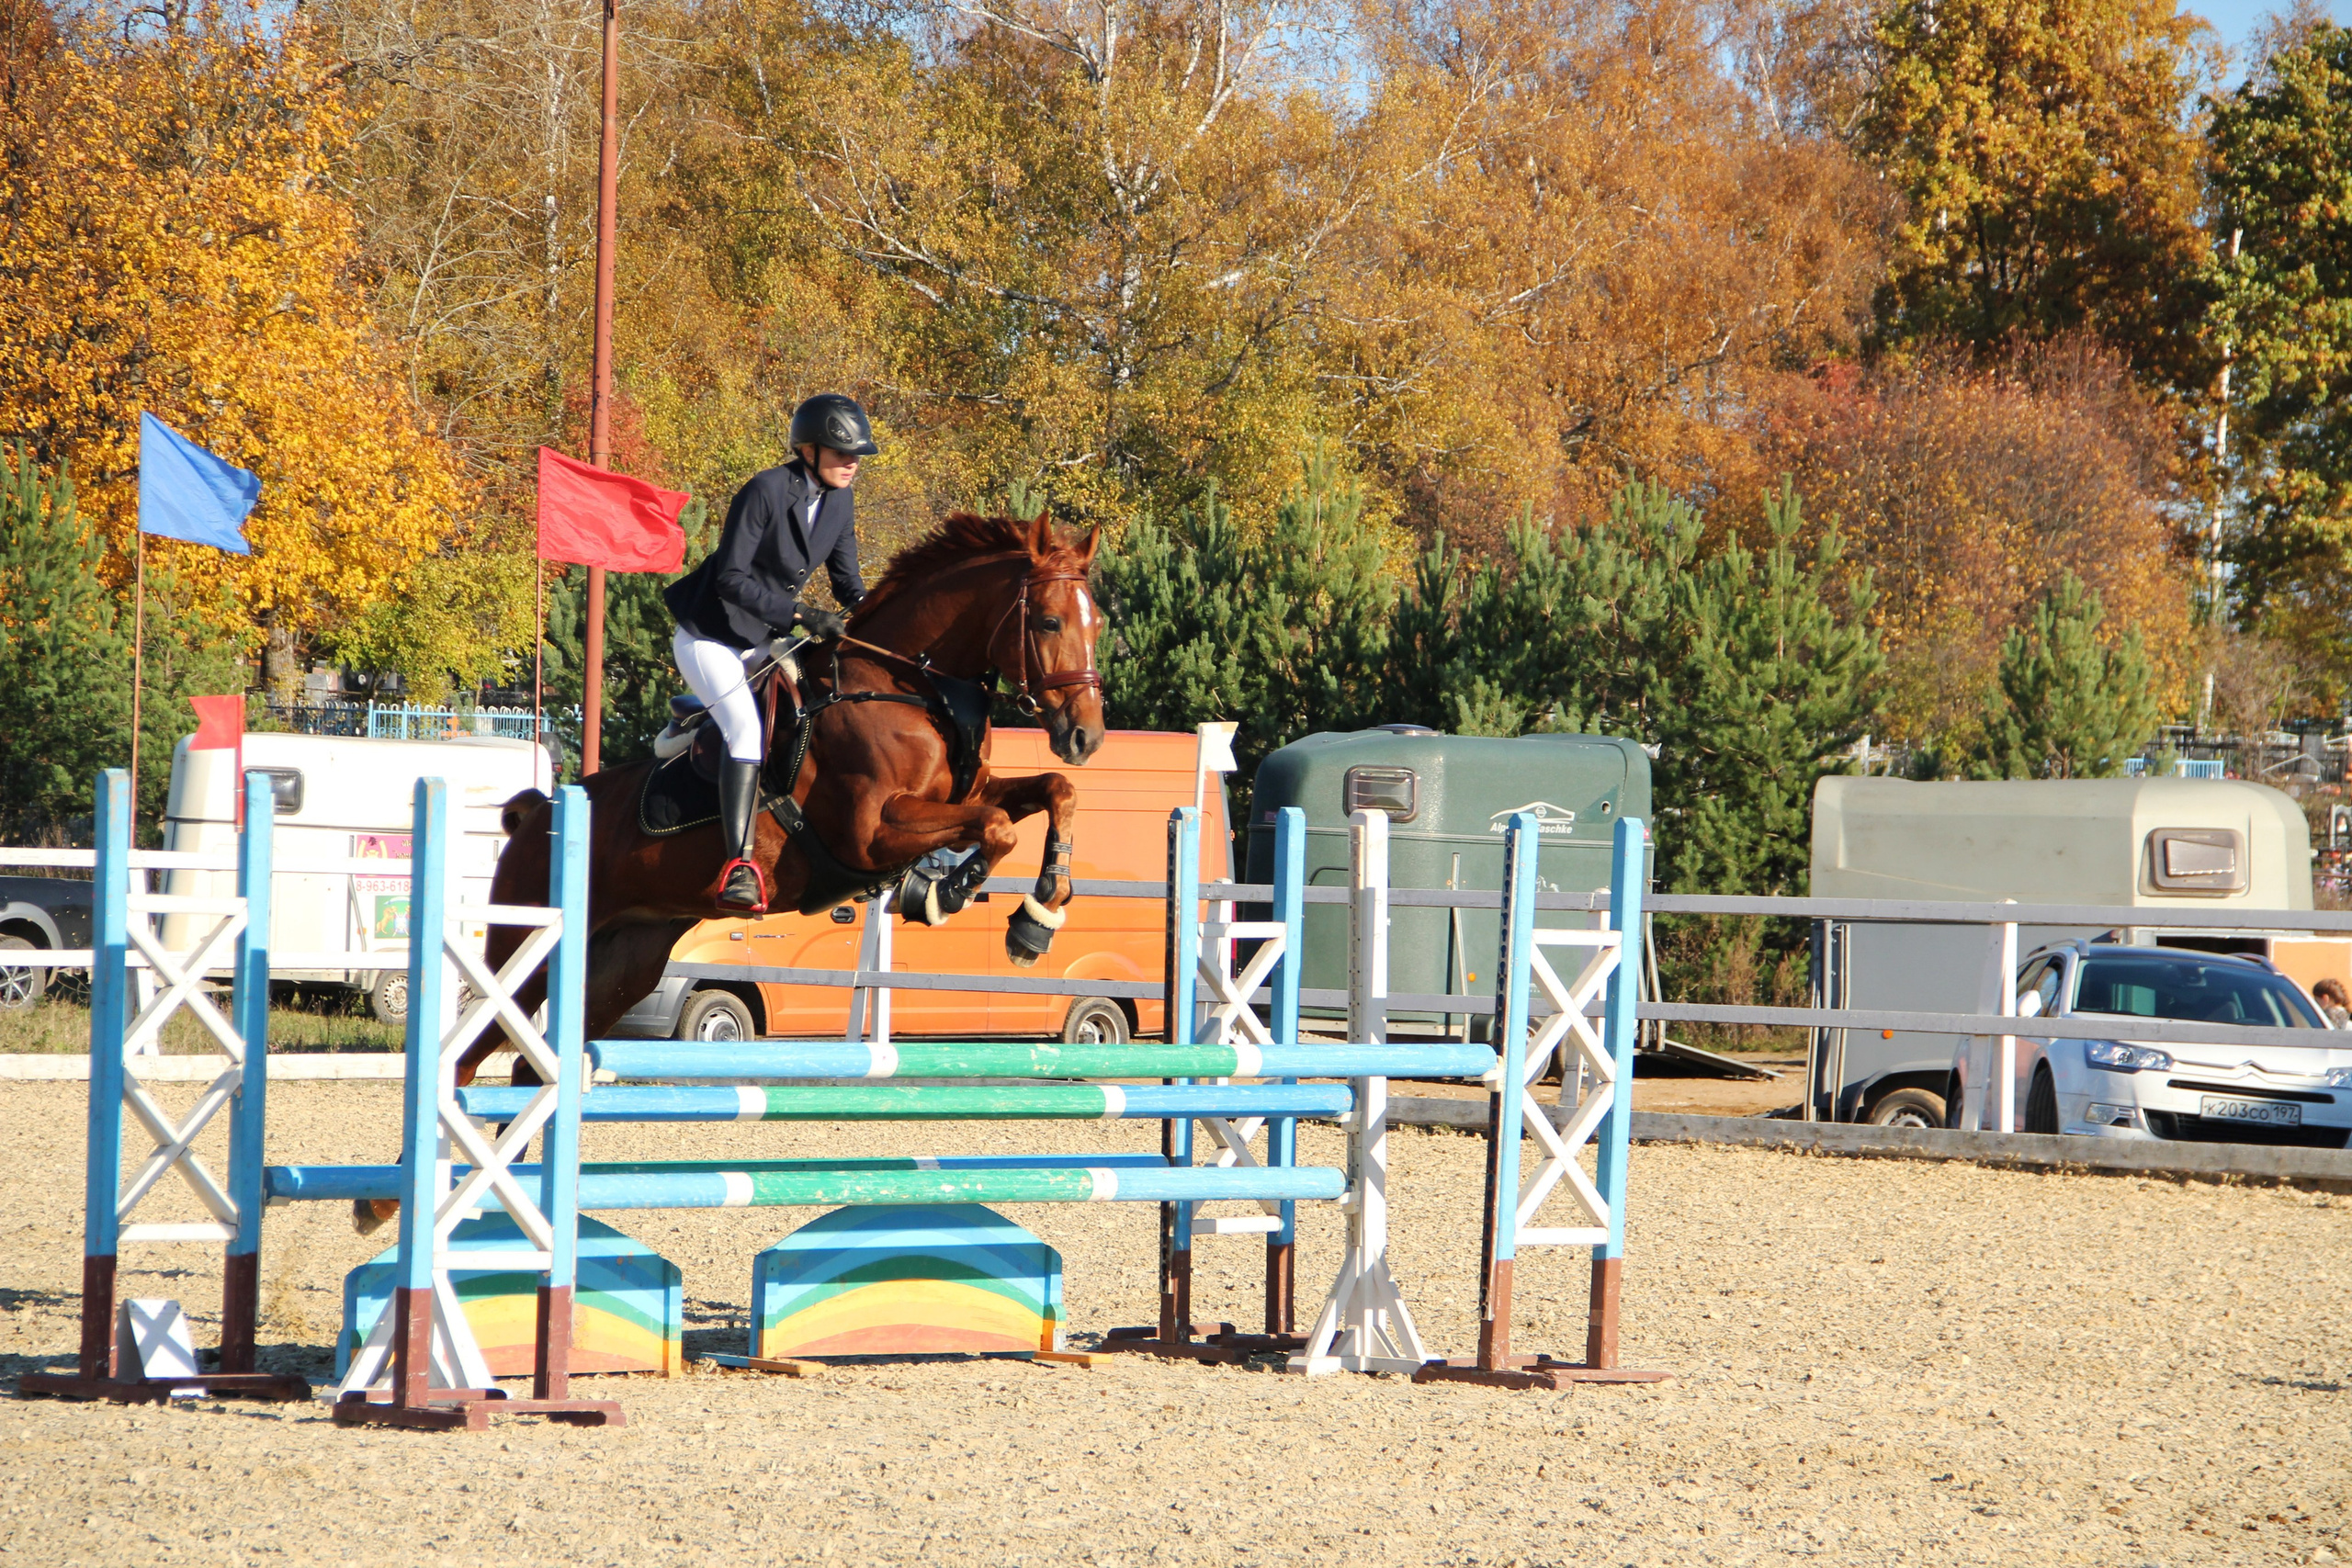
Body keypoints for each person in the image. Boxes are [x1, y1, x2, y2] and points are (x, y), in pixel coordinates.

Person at [663, 392, 877, 909]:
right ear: (807, 450)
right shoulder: (764, 490)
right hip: (711, 637)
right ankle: (738, 865)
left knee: (814, 714)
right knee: (746, 729)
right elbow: (731, 579)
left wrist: (884, 619)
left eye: (855, 455)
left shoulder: (840, 500)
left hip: (761, 640)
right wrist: (804, 615)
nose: (852, 464)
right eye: (841, 452)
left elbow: (850, 584)